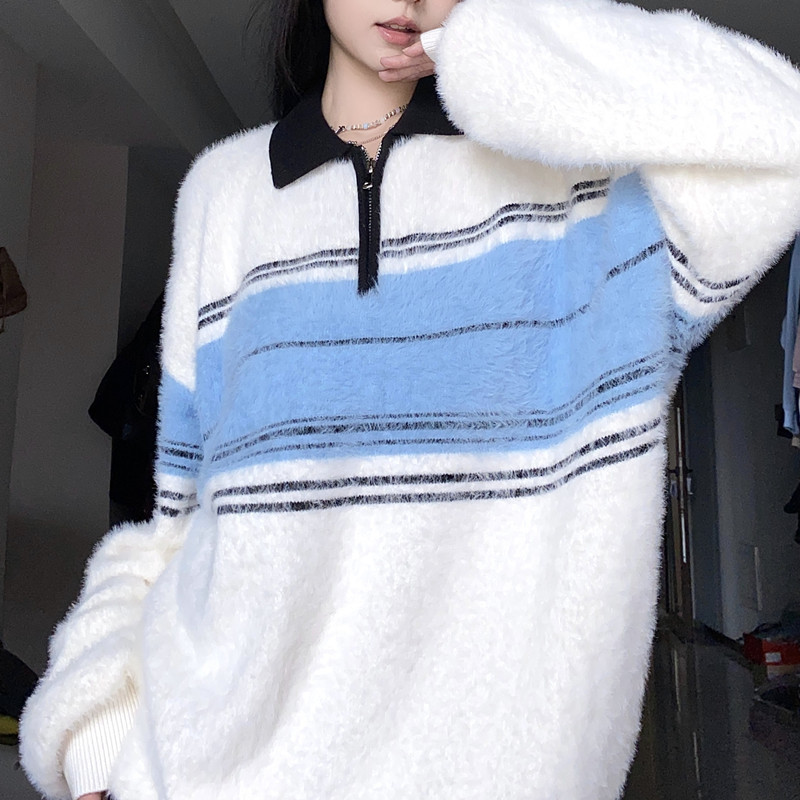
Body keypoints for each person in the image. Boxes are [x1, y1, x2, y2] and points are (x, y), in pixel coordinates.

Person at [18, 1, 800, 798]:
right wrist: (96, 738)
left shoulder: (578, 195)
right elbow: (177, 527)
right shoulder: (223, 193)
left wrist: (498, 48)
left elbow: (781, 134)